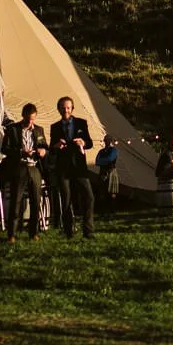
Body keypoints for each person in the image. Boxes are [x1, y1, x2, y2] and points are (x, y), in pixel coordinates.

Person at [48, 96, 95, 239]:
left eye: (68, 107)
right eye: (63, 108)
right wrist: (56, 146)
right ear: (58, 109)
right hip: (63, 168)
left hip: (79, 166)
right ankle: (69, 231)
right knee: (66, 199)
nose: (66, 110)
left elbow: (89, 143)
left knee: (89, 197)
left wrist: (83, 142)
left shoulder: (81, 123)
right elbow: (51, 149)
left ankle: (88, 230)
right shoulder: (55, 127)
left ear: (72, 108)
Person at [4, 103, 48, 241]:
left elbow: (45, 146)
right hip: (20, 167)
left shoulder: (39, 130)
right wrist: (20, 152)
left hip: (34, 167)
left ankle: (33, 233)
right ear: (23, 116)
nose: (30, 122)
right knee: (16, 201)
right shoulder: (13, 129)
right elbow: (5, 149)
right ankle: (12, 233)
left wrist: (43, 151)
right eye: (28, 119)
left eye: (33, 119)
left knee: (36, 201)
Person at [96, 135, 120, 216]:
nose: (107, 142)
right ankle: (103, 211)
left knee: (112, 193)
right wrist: (105, 161)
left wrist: (103, 161)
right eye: (106, 140)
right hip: (103, 172)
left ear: (111, 141)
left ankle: (112, 210)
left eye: (108, 140)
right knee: (102, 193)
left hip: (111, 171)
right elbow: (97, 161)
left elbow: (110, 159)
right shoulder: (101, 151)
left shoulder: (113, 150)